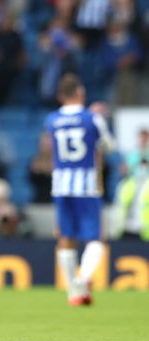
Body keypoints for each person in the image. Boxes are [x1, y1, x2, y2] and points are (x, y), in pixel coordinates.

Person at [46, 73, 114, 306]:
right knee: (95, 239)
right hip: (87, 185)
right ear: (80, 92)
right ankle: (84, 278)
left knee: (66, 238)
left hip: (61, 184)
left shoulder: (52, 120)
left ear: (59, 96)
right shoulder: (92, 118)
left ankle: (73, 291)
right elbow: (108, 146)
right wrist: (99, 118)